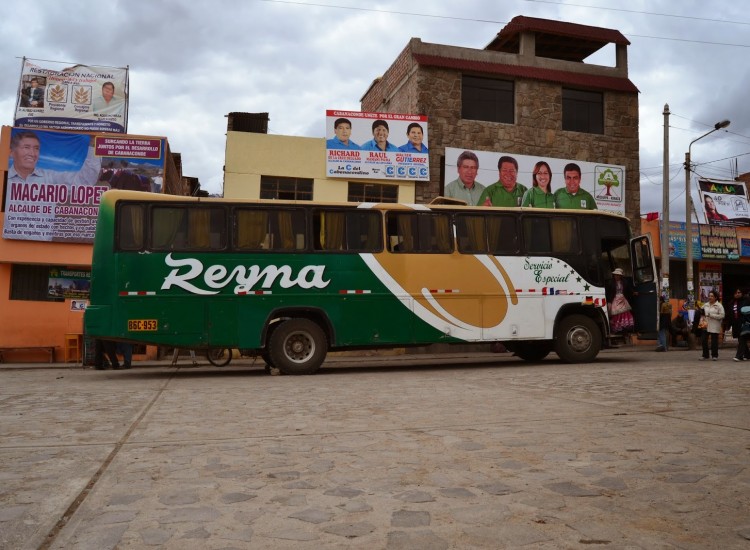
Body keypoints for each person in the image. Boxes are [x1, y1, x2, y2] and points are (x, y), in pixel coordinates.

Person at [8, 130, 101, 186]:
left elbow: (84, 182)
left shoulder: (49, 178)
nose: (32, 153)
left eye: (36, 148)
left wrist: (93, 142)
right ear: (11, 152)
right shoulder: (4, 179)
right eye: (26, 147)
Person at [606, 268, 635, 335]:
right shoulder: (611, 283)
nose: (616, 276)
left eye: (618, 275)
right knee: (616, 313)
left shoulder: (624, 283)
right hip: (614, 300)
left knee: (624, 313)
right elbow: (608, 292)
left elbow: (628, 290)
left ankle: (623, 328)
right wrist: (609, 301)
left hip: (622, 299)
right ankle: (617, 329)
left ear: (621, 276)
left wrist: (633, 293)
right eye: (615, 275)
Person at [700, 289, 725, 361]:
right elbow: (702, 312)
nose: (710, 297)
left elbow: (722, 315)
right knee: (704, 340)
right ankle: (705, 355)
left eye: (712, 296)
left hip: (715, 325)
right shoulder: (705, 304)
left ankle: (714, 355)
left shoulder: (719, 305)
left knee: (714, 341)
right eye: (709, 296)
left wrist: (711, 315)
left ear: (715, 297)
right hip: (705, 325)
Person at [728, 288, 750, 360]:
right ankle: (747, 355)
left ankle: (739, 356)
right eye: (735, 293)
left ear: (742, 293)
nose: (737, 294)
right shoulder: (732, 302)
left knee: (742, 338)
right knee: (740, 339)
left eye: (739, 292)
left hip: (745, 323)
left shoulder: (746, 301)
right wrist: (729, 325)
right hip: (736, 324)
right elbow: (730, 314)